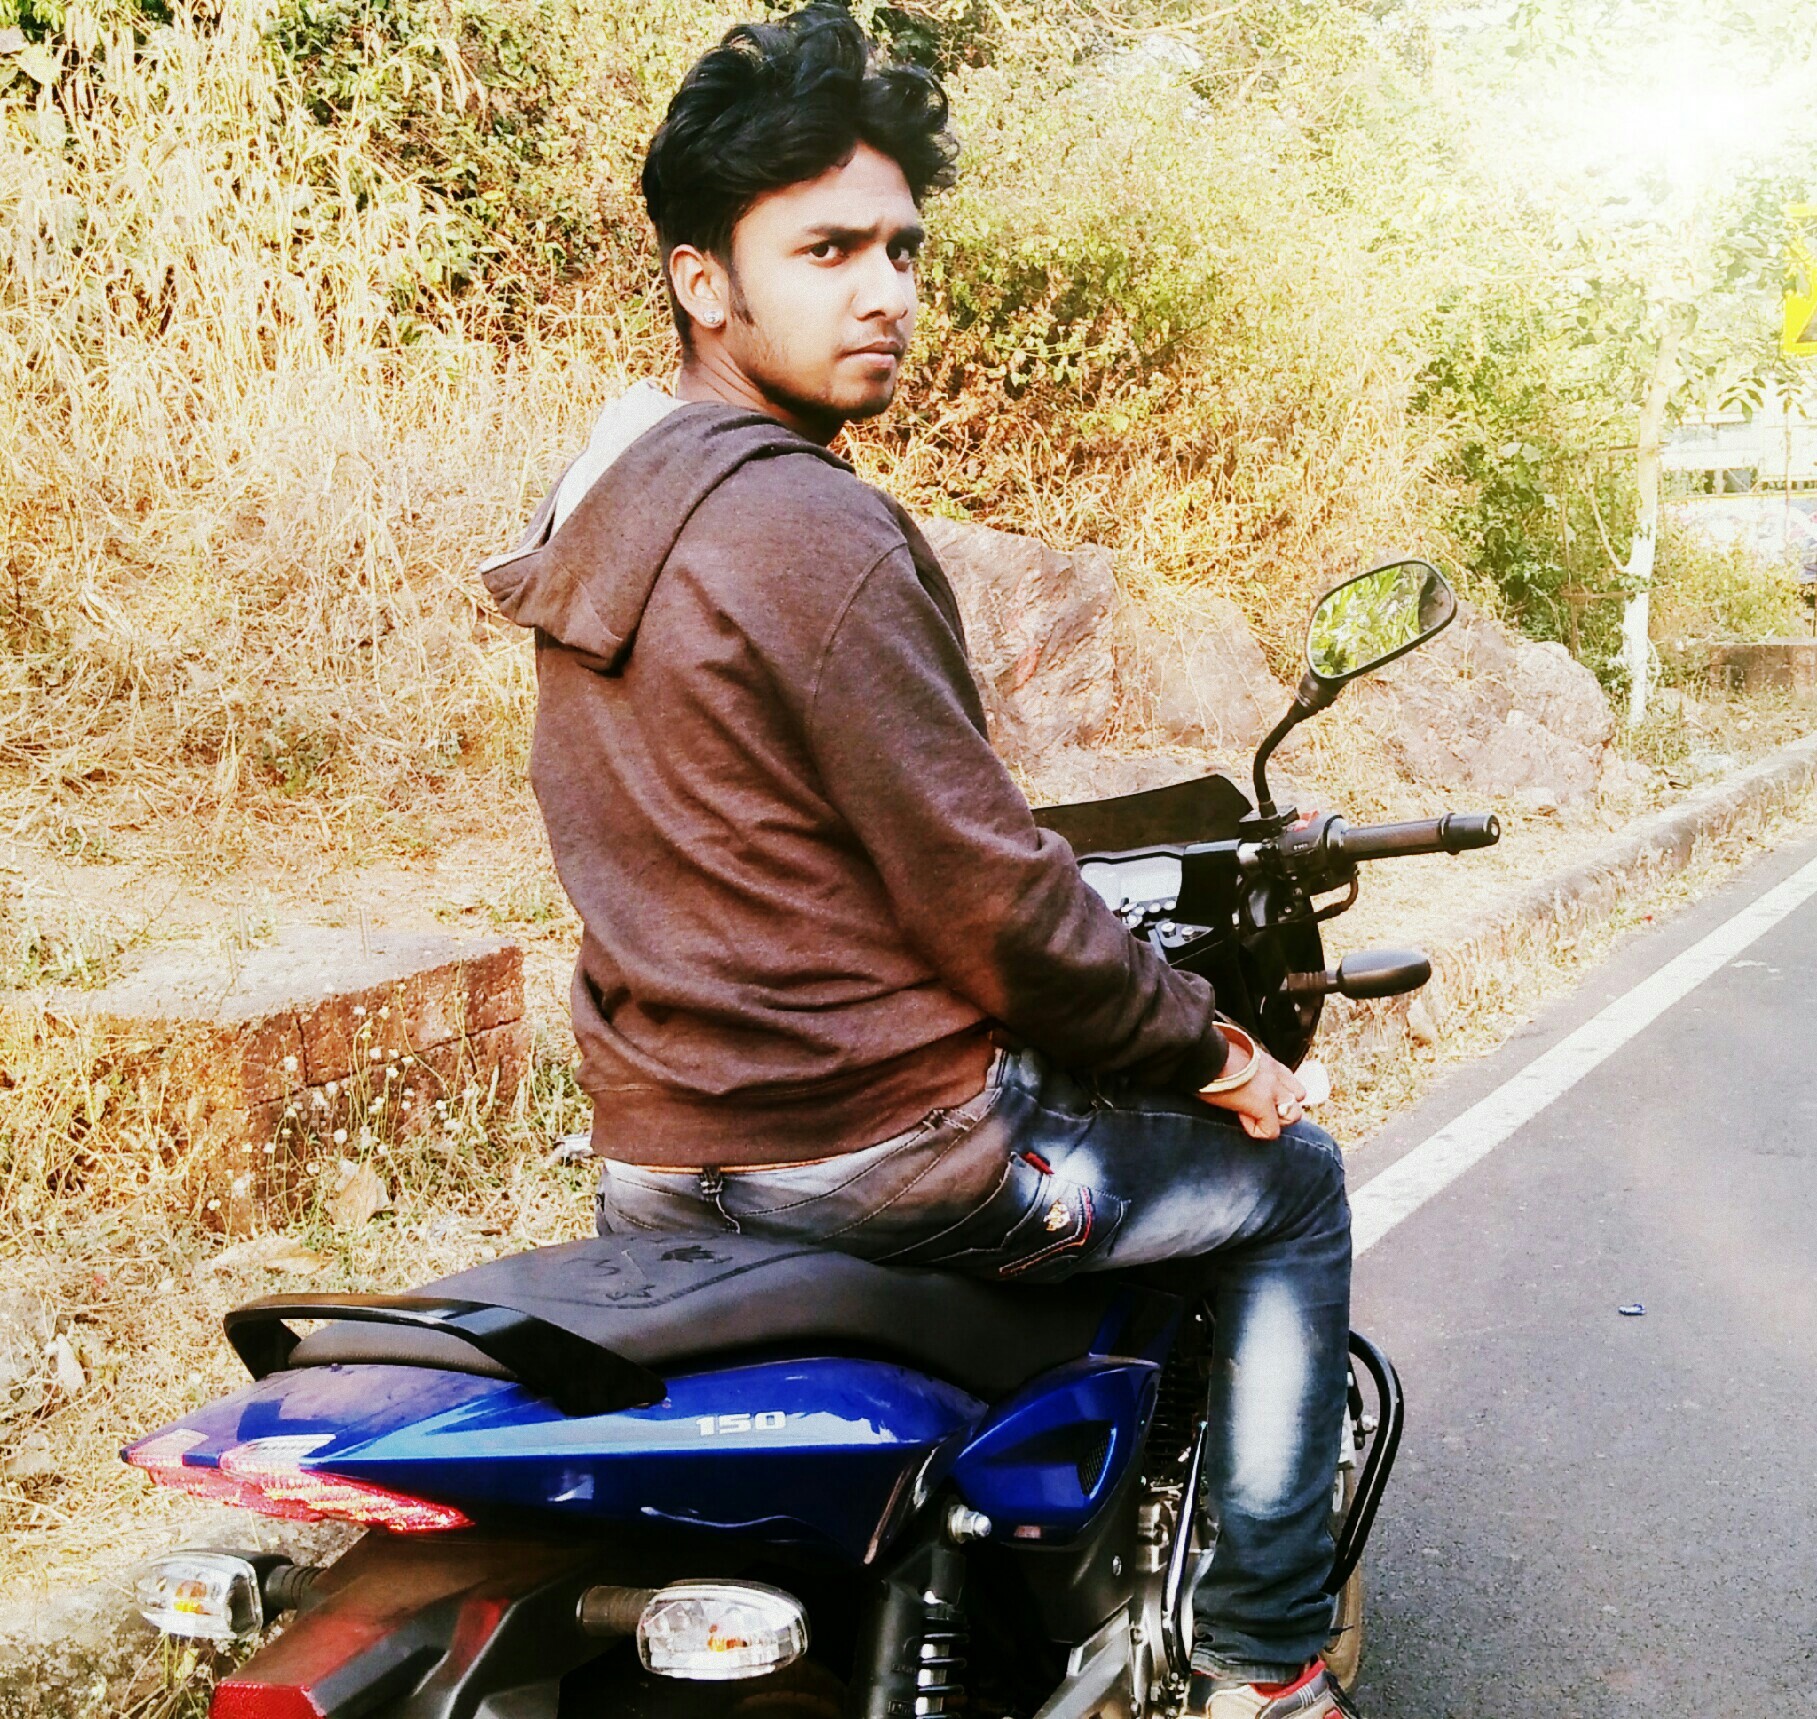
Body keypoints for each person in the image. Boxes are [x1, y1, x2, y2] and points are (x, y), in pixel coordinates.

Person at [480, 9, 1351, 1715]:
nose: (883, 290)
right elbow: (992, 901)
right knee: (1289, 1189)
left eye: (900, 249)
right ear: (702, 282)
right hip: (877, 1147)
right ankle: (1265, 1662)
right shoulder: (815, 527)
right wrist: (1210, 1053)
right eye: (826, 251)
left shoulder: (604, 518)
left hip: (659, 1155)